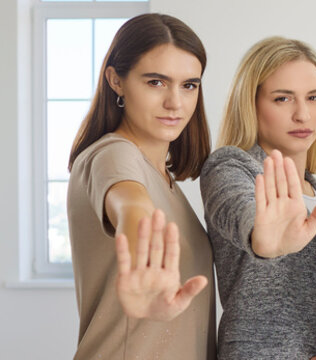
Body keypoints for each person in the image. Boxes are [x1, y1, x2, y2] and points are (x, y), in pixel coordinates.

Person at [66, 13, 215, 360]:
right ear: (116, 81)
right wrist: (141, 240)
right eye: (156, 82)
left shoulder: (163, 178)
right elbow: (131, 206)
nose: (175, 103)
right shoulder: (113, 154)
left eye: (189, 85)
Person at [199, 36, 316, 359]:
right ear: (251, 103)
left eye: (314, 98)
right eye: (283, 99)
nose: (303, 115)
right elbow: (241, 212)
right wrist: (263, 239)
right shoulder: (230, 166)